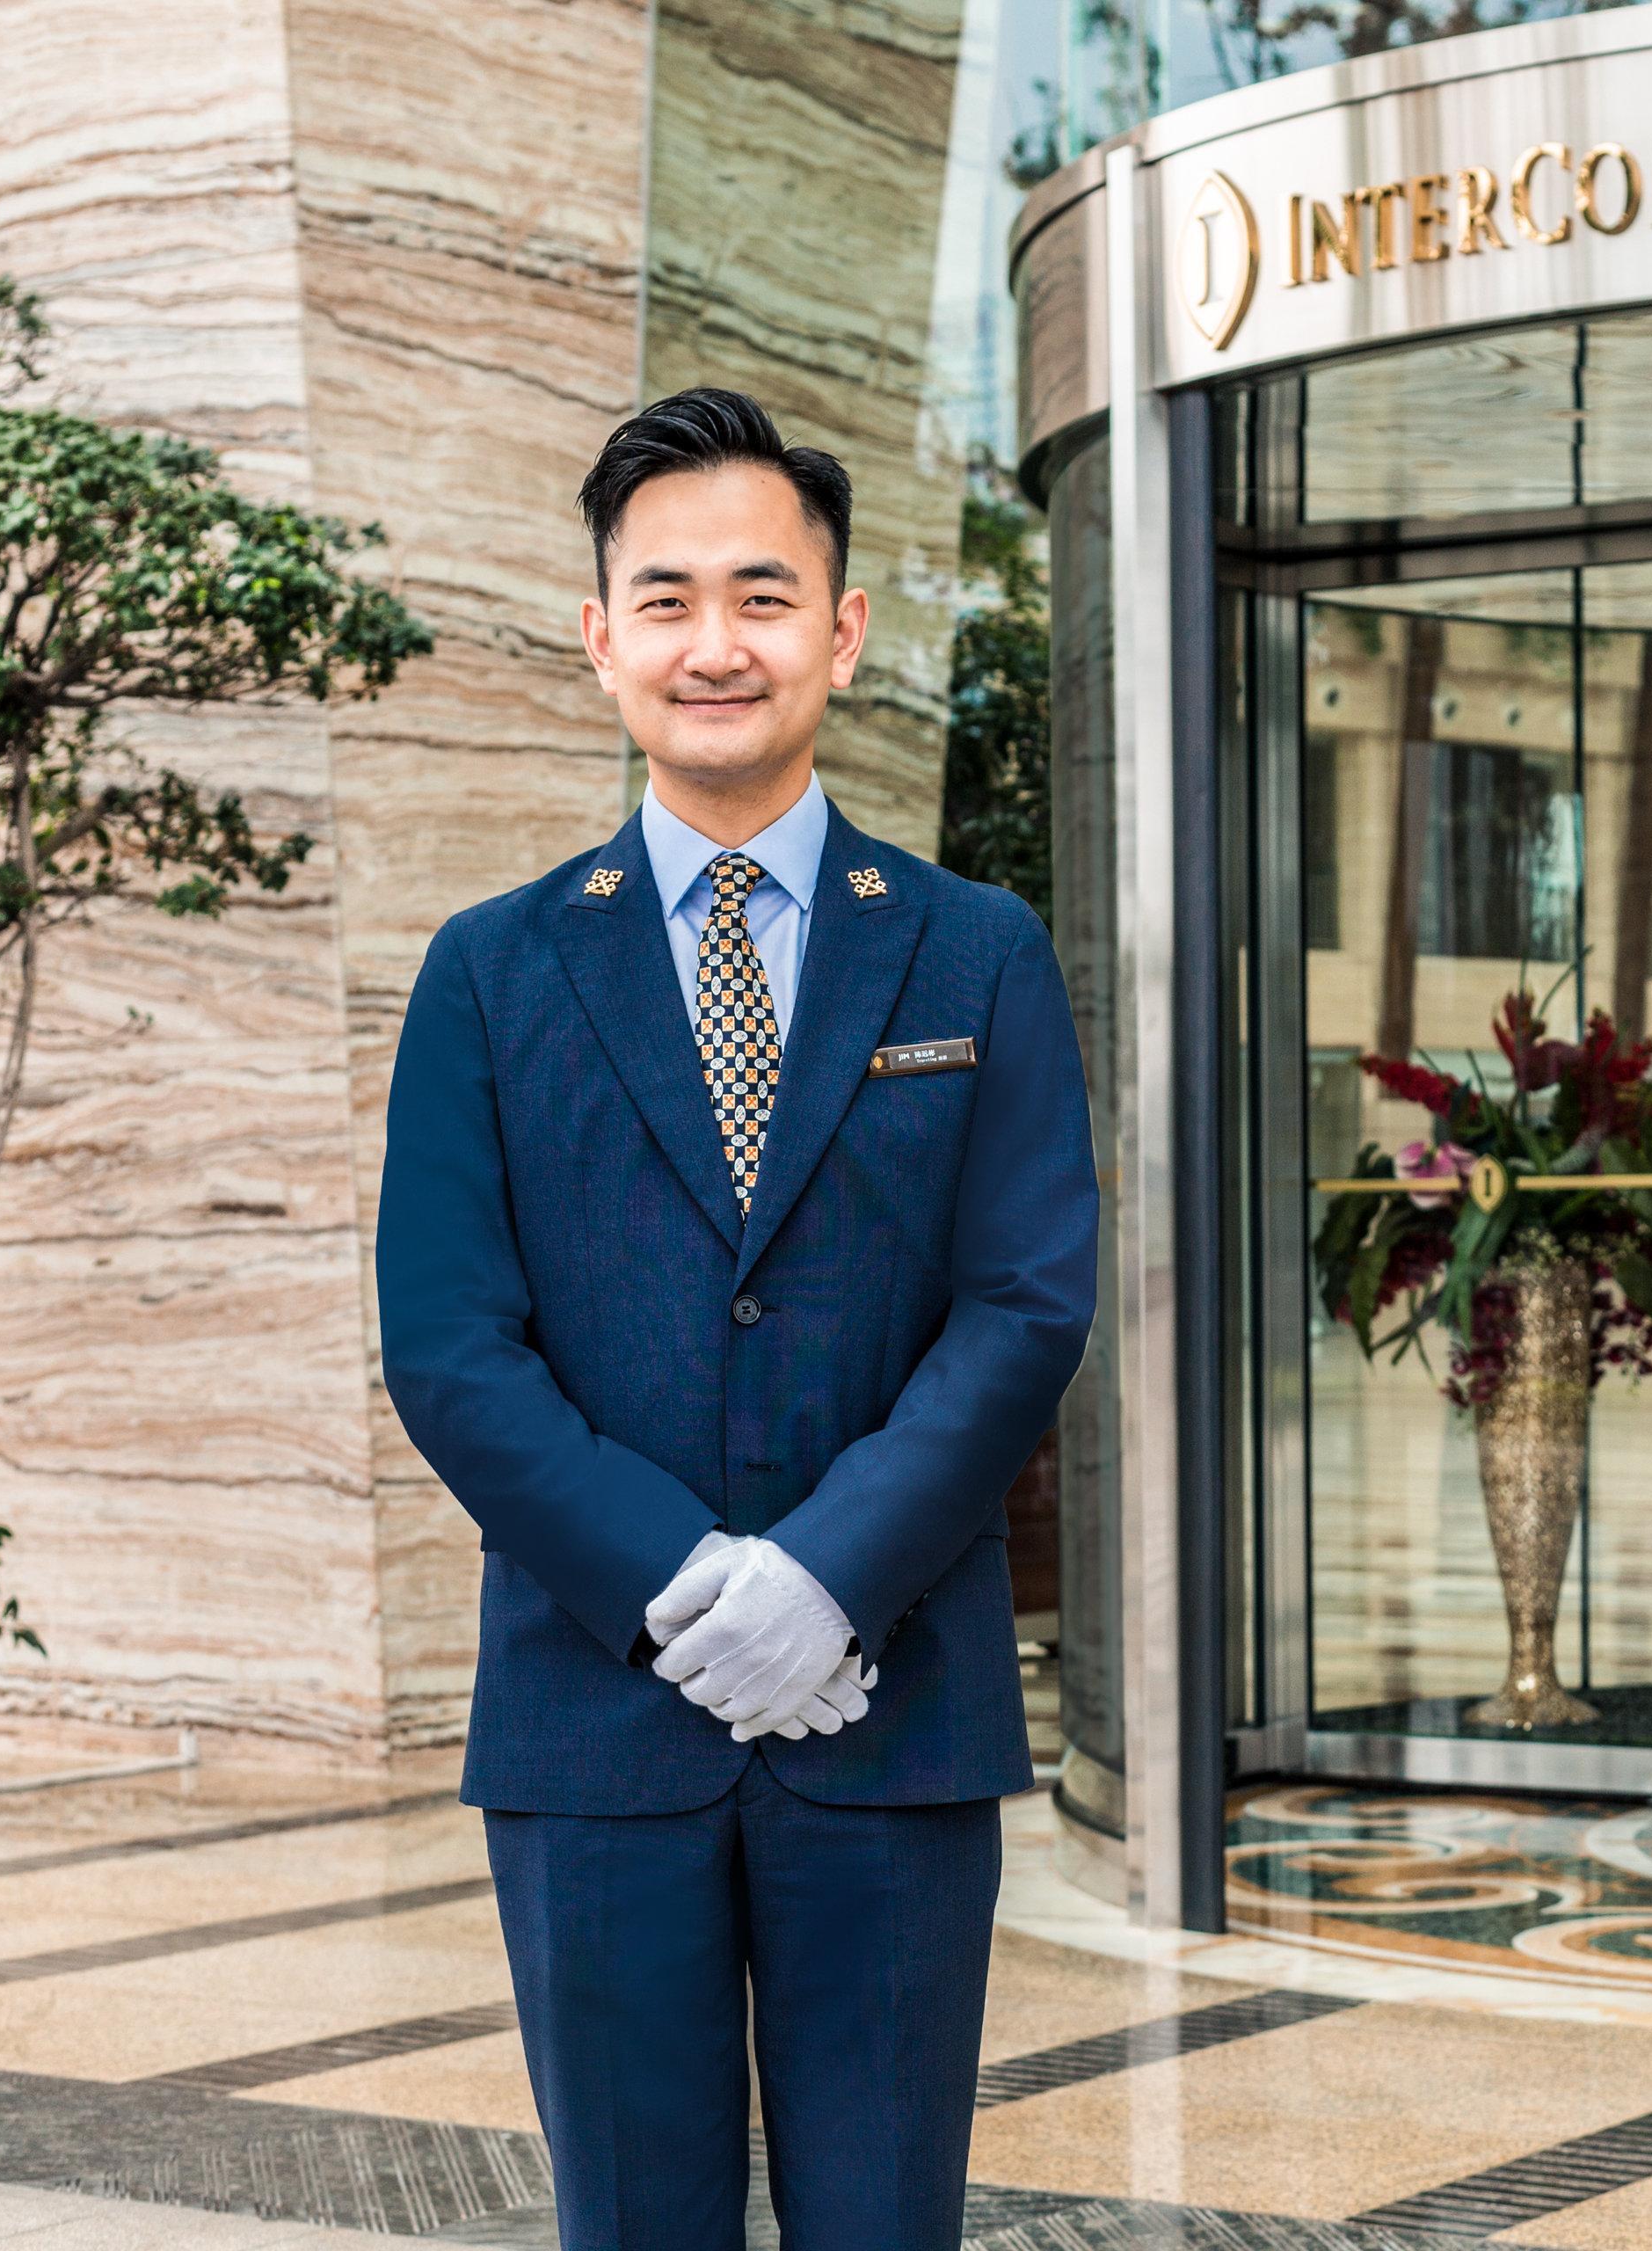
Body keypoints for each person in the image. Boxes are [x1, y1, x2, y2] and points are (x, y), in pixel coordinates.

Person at [375, 386, 1099, 2251]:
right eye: (671, 597)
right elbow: (452, 1345)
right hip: (592, 1724)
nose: (720, 645)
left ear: (842, 633)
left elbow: (1023, 1303)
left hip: (895, 1716)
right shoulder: (491, 969)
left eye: (766, 597)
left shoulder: (973, 950)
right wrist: (687, 1585)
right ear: (600, 630)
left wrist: (826, 1580)